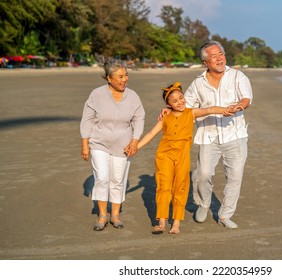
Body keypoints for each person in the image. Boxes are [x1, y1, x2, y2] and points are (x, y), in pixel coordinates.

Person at [133, 82, 242, 234]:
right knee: (163, 186)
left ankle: (176, 223)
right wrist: (135, 147)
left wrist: (226, 110)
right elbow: (151, 134)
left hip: (182, 156)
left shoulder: (190, 113)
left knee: (180, 187)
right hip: (164, 155)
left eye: (181, 98)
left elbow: (209, 109)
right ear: (168, 104)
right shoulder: (165, 117)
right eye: (175, 101)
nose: (180, 102)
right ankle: (162, 221)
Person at [186, 40, 253, 229]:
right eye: (214, 56)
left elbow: (247, 97)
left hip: (235, 134)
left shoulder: (238, 76)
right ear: (206, 62)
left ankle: (225, 215)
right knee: (204, 174)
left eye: (221, 54)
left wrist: (240, 105)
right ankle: (203, 204)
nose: (219, 59)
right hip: (208, 135)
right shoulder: (197, 84)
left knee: (235, 176)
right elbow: (187, 108)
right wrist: (209, 110)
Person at [80, 60, 145, 231]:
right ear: (109, 78)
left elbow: (139, 119)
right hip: (99, 143)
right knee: (102, 177)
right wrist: (85, 143)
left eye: (126, 75)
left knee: (118, 180)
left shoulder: (133, 96)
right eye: (120, 77)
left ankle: (115, 215)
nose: (125, 80)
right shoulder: (96, 94)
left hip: (123, 145)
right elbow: (87, 119)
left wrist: (135, 140)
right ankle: (102, 214)